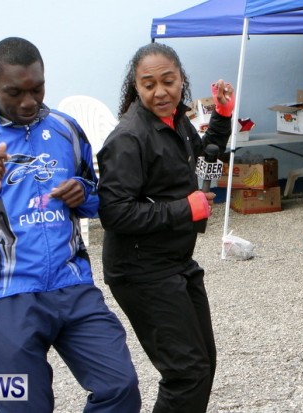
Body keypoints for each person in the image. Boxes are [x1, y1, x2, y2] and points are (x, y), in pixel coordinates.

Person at [0, 37, 140, 413]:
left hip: (73, 286)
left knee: (120, 387)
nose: (29, 102)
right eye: (15, 92)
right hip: (5, 295)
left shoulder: (66, 129)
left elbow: (98, 199)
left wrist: (84, 193)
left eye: (37, 89)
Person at [96, 42, 234, 413]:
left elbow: (202, 158)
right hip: (140, 270)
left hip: (175, 261)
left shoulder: (175, 120)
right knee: (186, 374)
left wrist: (222, 116)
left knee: (203, 365)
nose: (160, 92)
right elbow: (114, 214)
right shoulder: (128, 139)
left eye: (168, 82)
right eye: (149, 84)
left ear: (181, 80)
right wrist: (183, 210)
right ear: (136, 87)